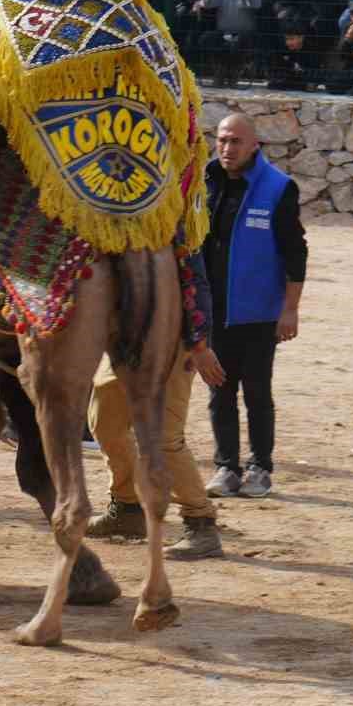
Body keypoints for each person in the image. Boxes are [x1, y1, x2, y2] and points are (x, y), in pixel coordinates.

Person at [86, 236, 227, 560]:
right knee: (105, 422)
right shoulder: (101, 217)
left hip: (172, 338)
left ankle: (201, 523)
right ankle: (127, 508)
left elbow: (194, 278)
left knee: (164, 438)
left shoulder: (170, 219)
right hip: (122, 337)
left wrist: (199, 344)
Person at [202, 113, 307, 499]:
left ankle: (260, 467)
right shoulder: (204, 181)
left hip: (259, 313)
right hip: (215, 311)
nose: (227, 148)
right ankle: (226, 467)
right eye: (222, 140)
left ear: (254, 146)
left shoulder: (278, 188)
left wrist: (290, 309)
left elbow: (296, 252)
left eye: (236, 141)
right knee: (219, 391)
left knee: (257, 392)